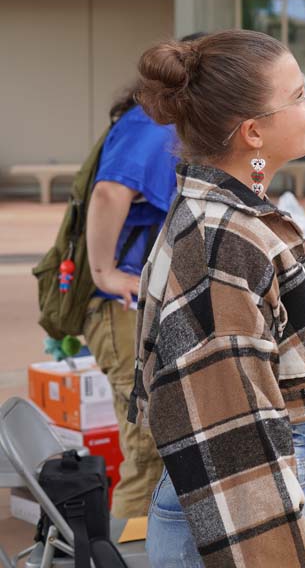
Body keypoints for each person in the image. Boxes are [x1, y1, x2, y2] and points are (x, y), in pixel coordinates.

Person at [129, 30, 305, 567]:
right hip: (234, 504)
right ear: (253, 132)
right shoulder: (225, 240)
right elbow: (233, 437)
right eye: (298, 95)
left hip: (232, 489)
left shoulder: (228, 211)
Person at [83, 88, 177, 519]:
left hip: (142, 305)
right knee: (146, 455)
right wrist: (103, 271)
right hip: (123, 306)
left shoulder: (173, 123)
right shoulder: (155, 120)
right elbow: (109, 193)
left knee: (158, 452)